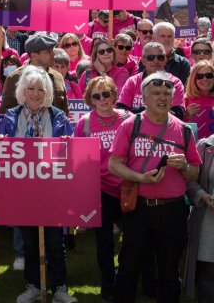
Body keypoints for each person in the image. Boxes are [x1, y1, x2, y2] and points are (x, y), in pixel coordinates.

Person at [108, 72, 201, 303]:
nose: (162, 98)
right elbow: (114, 164)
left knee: (169, 271)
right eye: (156, 93)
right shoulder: (131, 125)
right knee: (129, 266)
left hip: (173, 210)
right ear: (144, 98)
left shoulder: (184, 130)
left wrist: (185, 166)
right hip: (139, 207)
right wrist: (140, 178)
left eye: (167, 94)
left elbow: (194, 172)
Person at [0, 65, 76, 303]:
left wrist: (67, 142)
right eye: (30, 88)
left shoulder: (58, 117)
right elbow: (1, 153)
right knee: (30, 240)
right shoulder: (10, 117)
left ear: (48, 92)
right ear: (22, 90)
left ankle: (59, 287)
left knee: (53, 240)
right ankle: (32, 284)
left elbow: (70, 153)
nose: (35, 94)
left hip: (52, 188)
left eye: (41, 89)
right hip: (23, 190)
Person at [74, 76, 131, 300]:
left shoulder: (128, 119)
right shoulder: (85, 124)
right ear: (91, 99)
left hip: (128, 188)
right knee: (104, 241)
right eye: (97, 96)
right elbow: (78, 160)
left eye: (106, 94)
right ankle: (108, 282)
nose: (102, 99)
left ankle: (126, 278)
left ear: (114, 95)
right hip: (101, 190)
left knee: (133, 240)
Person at [0, 34, 69, 115]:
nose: (53, 54)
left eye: (52, 51)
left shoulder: (58, 77)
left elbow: (64, 111)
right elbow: (6, 112)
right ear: (34, 55)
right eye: (48, 51)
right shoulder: (15, 78)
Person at [118, 43, 186, 119]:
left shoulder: (175, 83)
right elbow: (121, 110)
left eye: (160, 57)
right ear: (143, 61)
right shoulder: (132, 82)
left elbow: (178, 114)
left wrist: (136, 112)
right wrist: (147, 110)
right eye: (151, 57)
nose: (156, 61)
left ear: (165, 60)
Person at [185, 134, 214, 303]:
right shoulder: (205, 146)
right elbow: (190, 181)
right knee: (207, 275)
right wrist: (202, 196)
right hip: (208, 223)